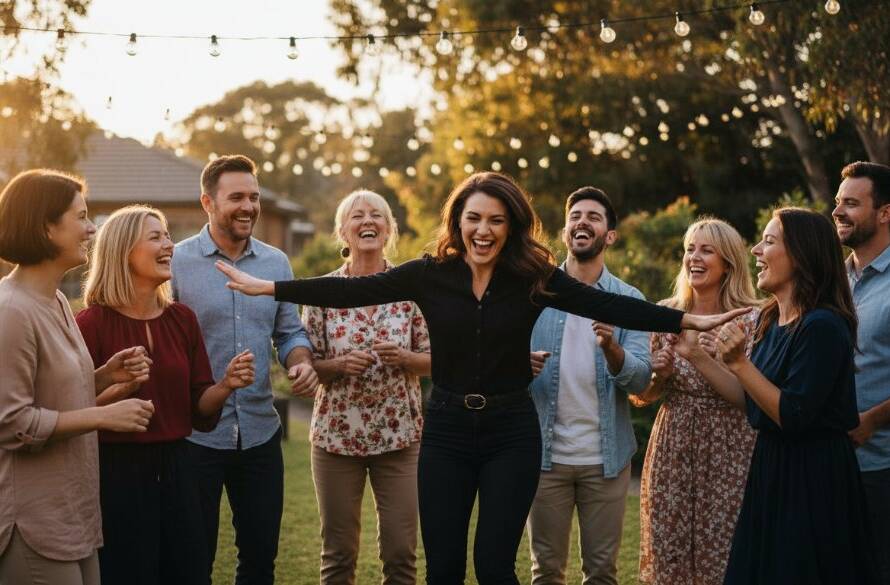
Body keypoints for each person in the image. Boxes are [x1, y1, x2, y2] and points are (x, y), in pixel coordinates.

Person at [216, 172, 749, 585]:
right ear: (459, 222)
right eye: (474, 218)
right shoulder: (431, 274)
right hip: (446, 430)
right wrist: (269, 290)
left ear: (510, 227)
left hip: (510, 433)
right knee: (444, 570)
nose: (483, 230)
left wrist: (685, 319)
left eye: (495, 220)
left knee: (495, 568)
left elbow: (603, 301)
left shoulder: (531, 277)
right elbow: (351, 291)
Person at [76, 205, 256, 585]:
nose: (169, 245)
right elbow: (75, 410)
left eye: (168, 235)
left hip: (180, 468)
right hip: (116, 475)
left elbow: (199, 410)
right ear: (123, 250)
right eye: (155, 237)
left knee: (189, 572)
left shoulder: (182, 319)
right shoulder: (89, 324)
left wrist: (225, 385)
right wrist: (114, 395)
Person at [0, 169, 155, 585]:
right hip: (32, 525)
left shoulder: (56, 303)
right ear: (46, 227)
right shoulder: (11, 311)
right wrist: (104, 417)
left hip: (74, 516)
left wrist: (103, 377)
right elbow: (11, 424)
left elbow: (56, 395)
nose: (91, 229)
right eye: (81, 217)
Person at [170, 155, 318, 585]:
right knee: (193, 560)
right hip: (195, 436)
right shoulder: (176, 264)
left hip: (259, 433)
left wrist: (301, 362)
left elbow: (289, 333)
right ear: (207, 203)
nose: (249, 206)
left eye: (253, 197)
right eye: (236, 197)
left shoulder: (277, 264)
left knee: (259, 560)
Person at [712, 207, 876, 584]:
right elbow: (755, 402)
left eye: (768, 242)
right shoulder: (771, 319)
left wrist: (739, 364)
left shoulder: (822, 326)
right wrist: (704, 357)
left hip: (812, 480)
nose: (755, 250)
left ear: (801, 254)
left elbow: (793, 413)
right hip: (772, 468)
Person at [301, 190, 430, 585]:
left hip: (400, 438)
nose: (367, 222)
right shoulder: (322, 292)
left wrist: (406, 359)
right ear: (343, 231)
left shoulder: (412, 291)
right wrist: (337, 365)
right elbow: (307, 362)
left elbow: (438, 358)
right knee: (338, 554)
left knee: (400, 553)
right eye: (357, 216)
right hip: (336, 438)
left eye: (377, 215)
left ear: (389, 229)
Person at [526, 187, 651, 585]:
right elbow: (497, 365)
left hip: (606, 460)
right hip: (545, 458)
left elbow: (642, 380)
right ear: (565, 232)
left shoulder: (629, 300)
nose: (583, 221)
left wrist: (612, 349)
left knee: (601, 573)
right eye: (575, 215)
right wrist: (516, 368)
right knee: (545, 571)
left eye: (594, 217)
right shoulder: (535, 296)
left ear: (609, 235)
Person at [634, 218, 759, 585]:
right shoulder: (665, 313)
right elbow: (643, 396)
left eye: (706, 249)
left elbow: (748, 401)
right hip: (672, 446)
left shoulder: (751, 317)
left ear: (729, 262)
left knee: (723, 552)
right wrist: (659, 376)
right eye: (690, 248)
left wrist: (699, 358)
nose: (694, 257)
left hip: (730, 450)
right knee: (668, 550)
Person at [833, 161, 890, 584]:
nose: (838, 213)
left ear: (884, 212)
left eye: (851, 204)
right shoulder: (834, 280)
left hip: (881, 469)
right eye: (837, 202)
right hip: (830, 462)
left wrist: (873, 419)